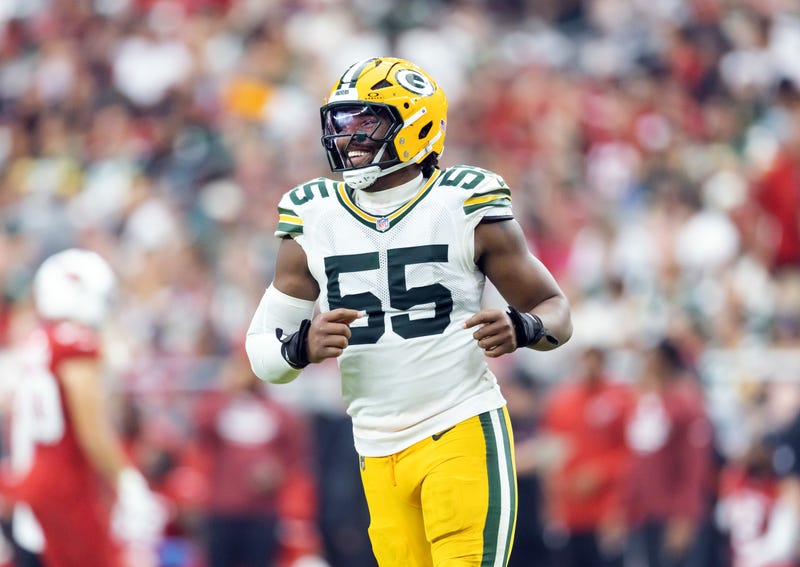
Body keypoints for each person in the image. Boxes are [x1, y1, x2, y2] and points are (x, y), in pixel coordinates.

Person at [245, 56, 573, 567]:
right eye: (340, 123)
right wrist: (300, 347)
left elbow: (555, 311)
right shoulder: (312, 214)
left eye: (363, 123)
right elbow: (262, 350)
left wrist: (524, 327)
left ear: (414, 125)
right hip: (374, 444)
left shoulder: (464, 203)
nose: (346, 137)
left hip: (460, 426)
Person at [3, 248, 166, 567]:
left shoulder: (37, 341)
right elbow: (90, 427)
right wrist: (128, 481)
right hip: (66, 487)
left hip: (30, 479)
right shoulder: (74, 342)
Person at [193, 346, 320, 567]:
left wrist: (277, 474)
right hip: (223, 509)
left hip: (262, 510)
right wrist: (227, 389)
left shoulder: (275, 411)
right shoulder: (218, 405)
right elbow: (202, 426)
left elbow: (294, 452)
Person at [538, 347, 632, 567]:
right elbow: (550, 451)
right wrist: (550, 501)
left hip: (606, 510)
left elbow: (632, 453)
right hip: (569, 512)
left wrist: (602, 472)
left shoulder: (620, 399)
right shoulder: (562, 402)